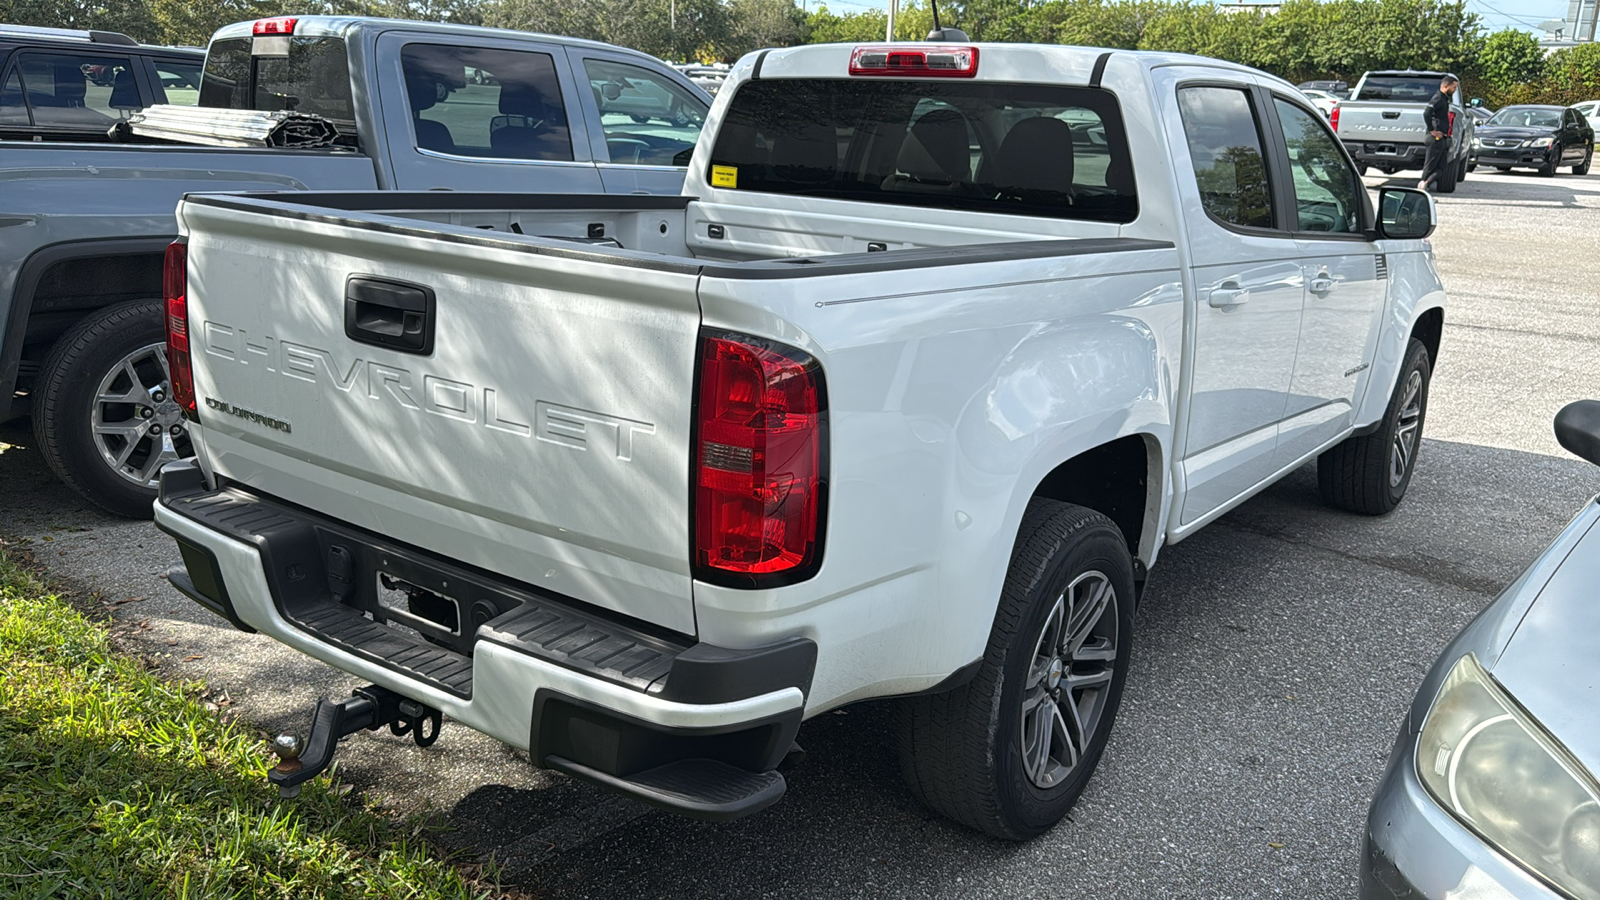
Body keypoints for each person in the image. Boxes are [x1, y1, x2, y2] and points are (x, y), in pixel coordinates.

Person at [1418, 74, 1459, 191]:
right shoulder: (1438, 98)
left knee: (1442, 167)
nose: (1455, 90)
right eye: (1454, 87)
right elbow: (1427, 113)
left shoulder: (1444, 99)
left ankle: (1426, 184)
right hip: (1434, 138)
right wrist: (1432, 130)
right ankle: (1422, 187)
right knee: (1430, 166)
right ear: (1446, 86)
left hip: (1442, 138)